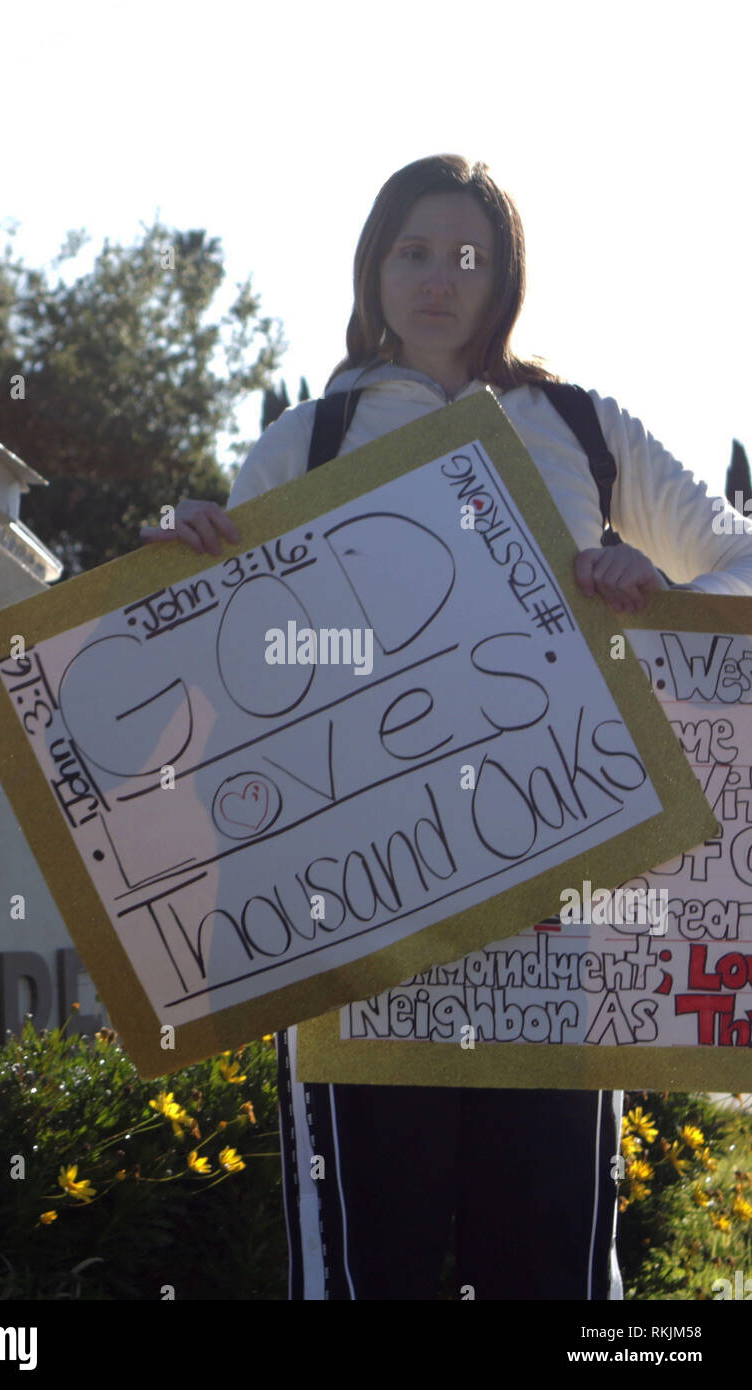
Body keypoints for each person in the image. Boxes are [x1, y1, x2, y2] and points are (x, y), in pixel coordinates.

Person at [141, 154, 752, 1300]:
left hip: (551, 919)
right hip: (355, 919)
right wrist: (180, 567)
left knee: (549, 1261)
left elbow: (740, 559)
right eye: (412, 251)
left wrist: (650, 587)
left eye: (465, 255)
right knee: (374, 1258)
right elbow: (229, 663)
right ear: (373, 268)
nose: (437, 279)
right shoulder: (305, 442)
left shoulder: (583, 427)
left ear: (503, 276)